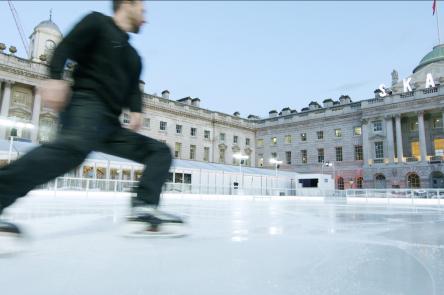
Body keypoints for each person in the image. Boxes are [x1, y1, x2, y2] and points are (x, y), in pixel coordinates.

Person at [0, 0, 184, 237]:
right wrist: (55, 77)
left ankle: (144, 206)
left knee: (159, 152)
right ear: (127, 4)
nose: (145, 18)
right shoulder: (97, 23)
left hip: (109, 125)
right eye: (143, 10)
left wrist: (137, 111)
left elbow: (132, 90)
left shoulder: (133, 57)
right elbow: (65, 47)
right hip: (85, 106)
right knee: (70, 151)